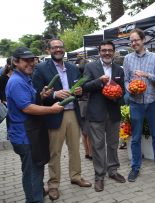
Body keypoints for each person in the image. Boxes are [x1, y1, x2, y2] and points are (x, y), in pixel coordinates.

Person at [32, 39, 92, 201]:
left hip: (73, 112)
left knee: (74, 148)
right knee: (55, 152)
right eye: (55, 47)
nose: (58, 49)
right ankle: (53, 185)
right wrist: (53, 94)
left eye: (60, 46)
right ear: (49, 50)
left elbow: (79, 89)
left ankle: (76, 176)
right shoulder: (41, 68)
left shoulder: (72, 68)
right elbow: (37, 93)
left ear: (64, 49)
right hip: (54, 113)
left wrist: (79, 90)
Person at [6, 47, 64, 203]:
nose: (30, 63)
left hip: (30, 132)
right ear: (15, 62)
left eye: (32, 60)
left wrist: (41, 95)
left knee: (36, 168)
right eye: (26, 60)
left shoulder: (25, 78)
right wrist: (52, 110)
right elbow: (27, 107)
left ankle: (37, 194)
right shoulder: (17, 82)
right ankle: (34, 199)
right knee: (32, 172)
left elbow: (29, 100)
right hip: (24, 135)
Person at [123, 28, 155, 182]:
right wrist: (129, 88)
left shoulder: (154, 57)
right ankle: (135, 168)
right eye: (132, 41)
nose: (134, 43)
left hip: (152, 102)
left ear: (143, 40)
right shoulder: (128, 58)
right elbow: (126, 79)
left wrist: (146, 75)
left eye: (136, 40)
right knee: (135, 137)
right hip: (136, 103)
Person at [83, 40, 126, 192]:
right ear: (99, 52)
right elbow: (84, 87)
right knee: (98, 145)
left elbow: (123, 90)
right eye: (104, 50)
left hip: (113, 112)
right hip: (96, 112)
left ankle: (113, 171)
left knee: (113, 144)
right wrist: (99, 82)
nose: (107, 53)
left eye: (109, 50)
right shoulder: (90, 67)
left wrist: (117, 95)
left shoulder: (118, 69)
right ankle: (99, 176)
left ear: (113, 52)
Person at [77, 58, 92, 161]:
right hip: (87, 105)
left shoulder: (77, 78)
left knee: (84, 131)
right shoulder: (87, 79)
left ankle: (87, 152)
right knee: (89, 131)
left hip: (80, 106)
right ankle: (91, 153)